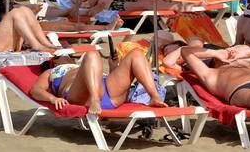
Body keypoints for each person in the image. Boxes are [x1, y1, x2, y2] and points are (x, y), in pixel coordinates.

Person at [31, 49, 166, 115]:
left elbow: (108, 77)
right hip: (83, 96)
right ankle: (95, 99)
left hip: (106, 90)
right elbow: (35, 90)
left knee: (136, 53)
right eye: (61, 55)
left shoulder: (83, 65)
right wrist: (52, 98)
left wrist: (113, 66)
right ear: (53, 62)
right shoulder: (52, 72)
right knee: (92, 54)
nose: (67, 56)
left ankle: (154, 96)